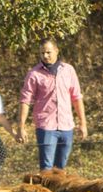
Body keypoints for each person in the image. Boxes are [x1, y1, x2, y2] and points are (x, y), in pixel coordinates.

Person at [17, 38, 88, 170]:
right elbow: (25, 100)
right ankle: (46, 190)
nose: (45, 56)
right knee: (47, 167)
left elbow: (76, 97)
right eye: (42, 53)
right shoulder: (34, 74)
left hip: (66, 126)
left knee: (61, 167)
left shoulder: (68, 70)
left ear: (56, 51)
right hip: (46, 127)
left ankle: (58, 191)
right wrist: (21, 126)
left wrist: (82, 123)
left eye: (48, 52)